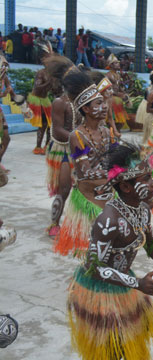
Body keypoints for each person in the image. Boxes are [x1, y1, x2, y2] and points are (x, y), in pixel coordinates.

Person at [67, 142, 153, 360]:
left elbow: (150, 241)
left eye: (151, 176)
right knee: (109, 347)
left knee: (138, 330)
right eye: (146, 178)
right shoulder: (109, 220)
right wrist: (137, 283)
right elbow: (95, 267)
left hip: (125, 281)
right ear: (127, 186)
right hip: (100, 286)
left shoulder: (140, 208)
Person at [53, 71, 118, 256]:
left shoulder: (108, 133)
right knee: (90, 251)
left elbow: (118, 162)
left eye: (104, 102)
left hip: (108, 197)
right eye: (99, 103)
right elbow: (86, 171)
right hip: (88, 198)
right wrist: (115, 173)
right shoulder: (77, 136)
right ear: (86, 109)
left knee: (109, 249)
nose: (105, 107)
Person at [43, 55, 81, 237]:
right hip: (62, 149)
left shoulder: (81, 102)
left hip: (80, 147)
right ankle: (54, 223)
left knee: (84, 184)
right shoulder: (60, 102)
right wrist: (79, 138)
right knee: (64, 188)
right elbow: (57, 130)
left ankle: (78, 221)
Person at [29, 67, 53, 154]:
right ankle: (38, 147)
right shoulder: (41, 73)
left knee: (50, 124)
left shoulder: (52, 73)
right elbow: (38, 87)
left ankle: (46, 145)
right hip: (38, 100)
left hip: (45, 100)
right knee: (43, 124)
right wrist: (49, 82)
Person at [105, 54, 128, 131]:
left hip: (118, 99)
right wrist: (118, 94)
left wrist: (123, 92)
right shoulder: (108, 75)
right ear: (111, 65)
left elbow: (119, 87)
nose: (118, 64)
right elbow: (107, 89)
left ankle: (115, 133)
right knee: (112, 120)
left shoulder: (118, 75)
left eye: (118, 62)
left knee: (120, 122)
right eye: (116, 63)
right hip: (111, 99)